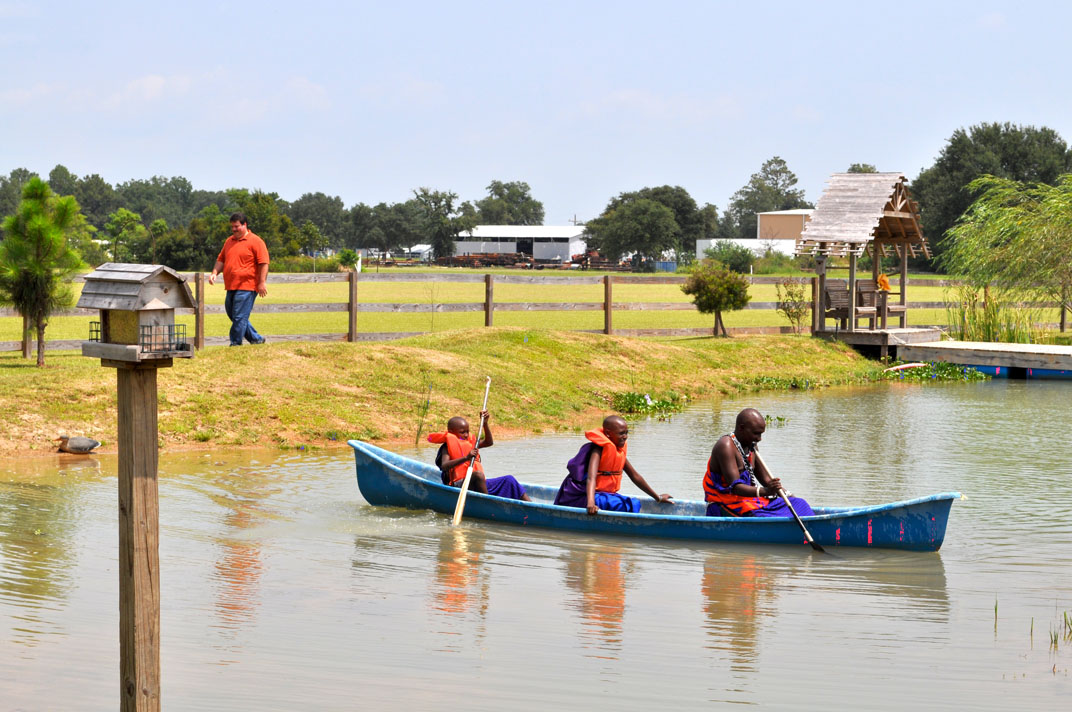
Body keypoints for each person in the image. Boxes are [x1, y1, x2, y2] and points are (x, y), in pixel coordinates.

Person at [703, 408, 814, 518]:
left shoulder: (751, 445)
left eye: (761, 434)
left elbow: (765, 479)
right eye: (756, 434)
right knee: (762, 516)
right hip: (727, 503)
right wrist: (765, 491)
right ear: (742, 428)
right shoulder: (726, 446)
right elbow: (736, 487)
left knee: (800, 504)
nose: (759, 438)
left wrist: (785, 493)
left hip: (748, 501)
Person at [554, 415, 672, 514]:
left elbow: (635, 476)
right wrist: (590, 503)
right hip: (581, 496)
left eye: (626, 433)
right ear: (608, 434)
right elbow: (591, 478)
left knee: (632, 504)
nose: (625, 437)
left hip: (599, 495)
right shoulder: (598, 450)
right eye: (621, 433)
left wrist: (658, 497)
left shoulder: (617, 451)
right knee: (625, 505)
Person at [427, 411, 530, 501]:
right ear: (451, 432)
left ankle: (530, 505)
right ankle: (487, 504)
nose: (466, 435)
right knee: (478, 475)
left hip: (476, 482)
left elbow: (489, 442)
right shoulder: (446, 447)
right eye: (462, 432)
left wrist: (485, 424)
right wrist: (466, 458)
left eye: (467, 431)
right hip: (459, 485)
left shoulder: (469, 442)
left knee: (509, 480)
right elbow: (444, 466)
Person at [208, 212, 269, 346]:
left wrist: (262, 283)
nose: (234, 229)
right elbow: (221, 259)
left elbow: (264, 263)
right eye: (232, 227)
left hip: (247, 286)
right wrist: (214, 273)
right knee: (233, 315)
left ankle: (235, 344)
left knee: (239, 317)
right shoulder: (229, 241)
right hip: (231, 286)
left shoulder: (256, 241)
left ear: (244, 225)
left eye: (236, 226)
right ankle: (256, 339)